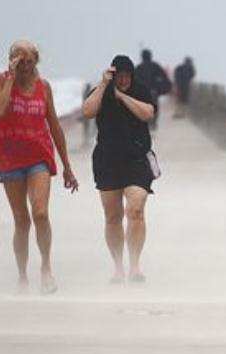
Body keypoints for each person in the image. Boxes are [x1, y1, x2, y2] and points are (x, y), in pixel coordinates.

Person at [0, 40, 79, 294]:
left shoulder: (44, 87)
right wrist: (10, 77)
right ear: (11, 60)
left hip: (39, 156)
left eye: (29, 62)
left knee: (40, 213)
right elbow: (0, 109)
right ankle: (21, 276)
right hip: (9, 157)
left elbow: (55, 126)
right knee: (22, 221)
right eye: (20, 62)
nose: (26, 67)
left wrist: (67, 166)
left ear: (36, 62)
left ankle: (46, 268)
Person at [82, 55, 156, 284]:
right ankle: (118, 266)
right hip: (108, 160)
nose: (123, 79)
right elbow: (87, 111)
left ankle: (135, 265)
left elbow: (147, 113)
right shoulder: (100, 90)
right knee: (113, 216)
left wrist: (122, 96)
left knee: (135, 209)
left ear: (131, 75)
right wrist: (104, 85)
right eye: (119, 76)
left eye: (126, 76)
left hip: (136, 159)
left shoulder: (140, 90)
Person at [135, 49, 172, 130]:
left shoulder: (139, 68)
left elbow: (134, 80)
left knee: (143, 109)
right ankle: (153, 124)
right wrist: (161, 88)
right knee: (154, 108)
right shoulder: (156, 66)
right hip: (153, 92)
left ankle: (146, 124)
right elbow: (164, 78)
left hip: (143, 92)